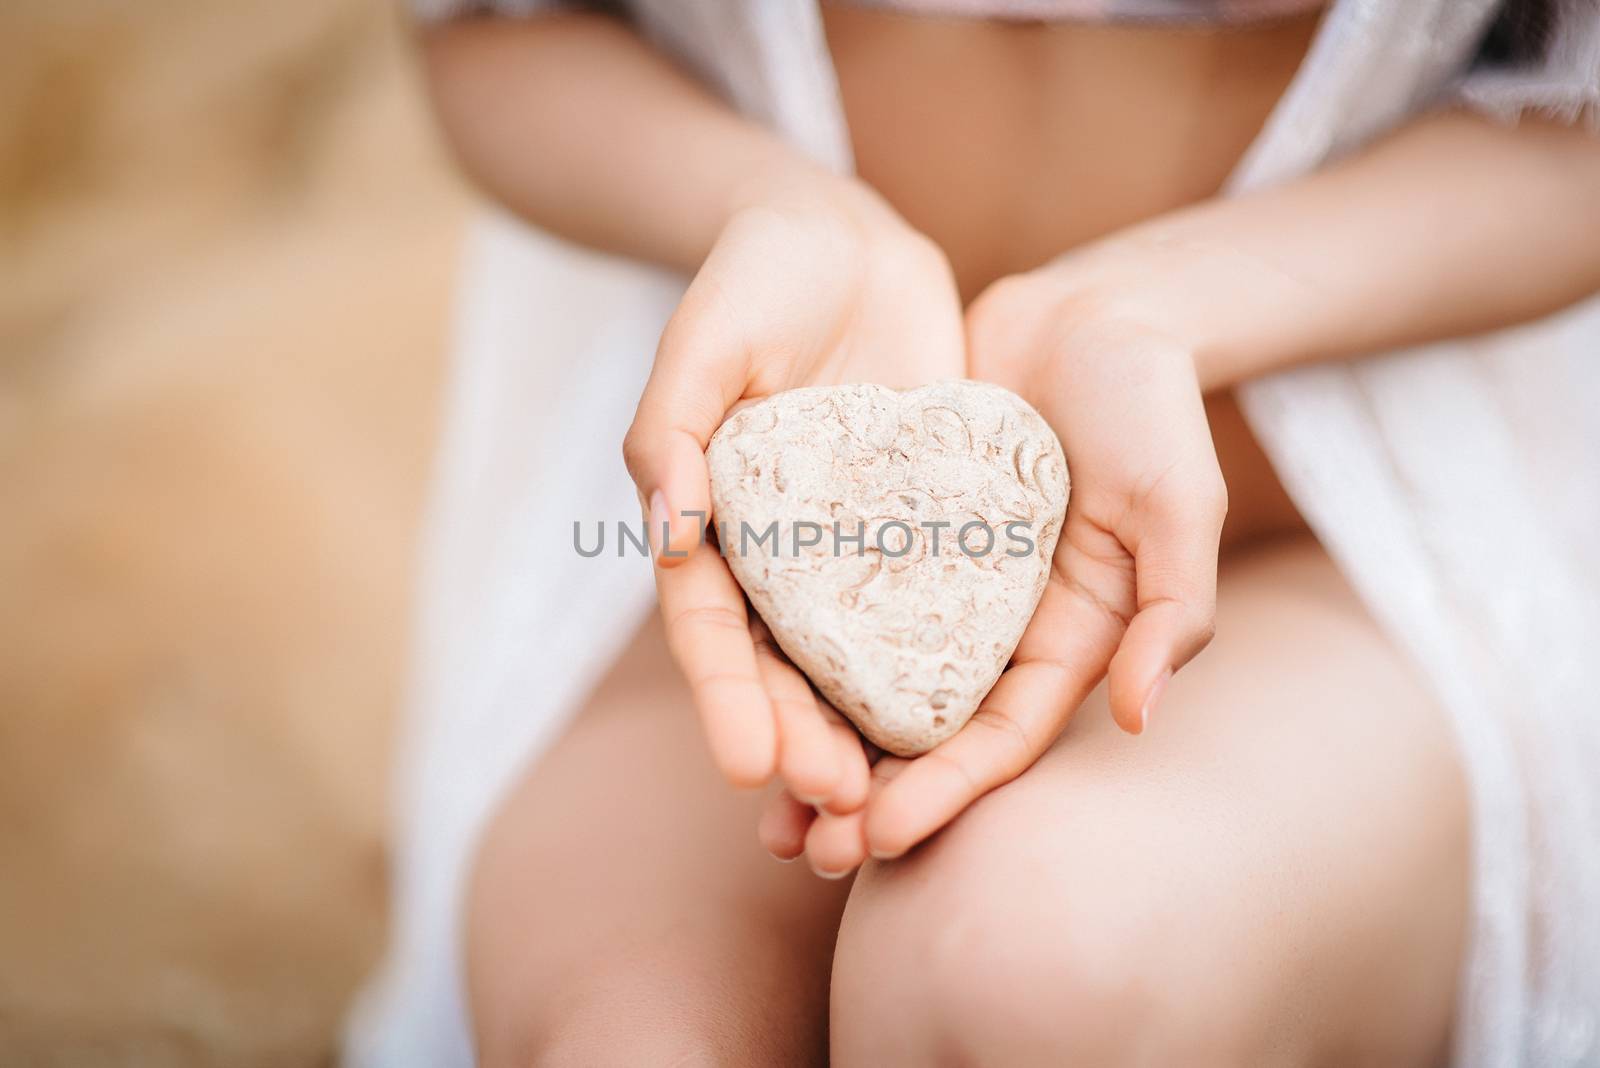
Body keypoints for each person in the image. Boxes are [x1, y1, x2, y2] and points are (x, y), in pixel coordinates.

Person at [347, 2, 1600, 1065]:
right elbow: (490, 29)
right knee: (636, 1036)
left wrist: (1160, 308)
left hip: (1326, 551)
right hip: (756, 548)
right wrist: (776, 205)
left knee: (1016, 976)